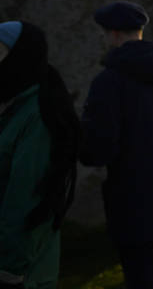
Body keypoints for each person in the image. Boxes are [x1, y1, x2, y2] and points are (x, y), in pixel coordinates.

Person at [80, 1, 153, 289]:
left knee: (144, 280)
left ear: (114, 34)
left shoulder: (109, 82)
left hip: (132, 198)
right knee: (152, 276)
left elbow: (98, 149)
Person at [0, 21, 79, 289]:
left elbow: (25, 201)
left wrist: (9, 270)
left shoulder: (39, 117)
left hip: (22, 273)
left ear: (20, 57)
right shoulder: (12, 107)